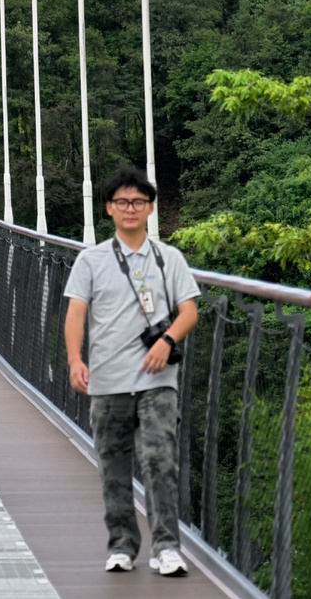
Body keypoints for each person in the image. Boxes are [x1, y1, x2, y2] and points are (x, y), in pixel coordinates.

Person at [62, 168, 200, 578]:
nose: (130, 209)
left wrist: (167, 340)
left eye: (138, 202)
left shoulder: (168, 258)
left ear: (150, 208)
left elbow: (189, 311)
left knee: (161, 461)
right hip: (107, 380)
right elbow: (75, 314)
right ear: (109, 209)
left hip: (156, 380)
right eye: (122, 202)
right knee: (114, 467)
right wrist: (75, 360)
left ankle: (167, 547)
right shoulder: (91, 260)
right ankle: (121, 544)